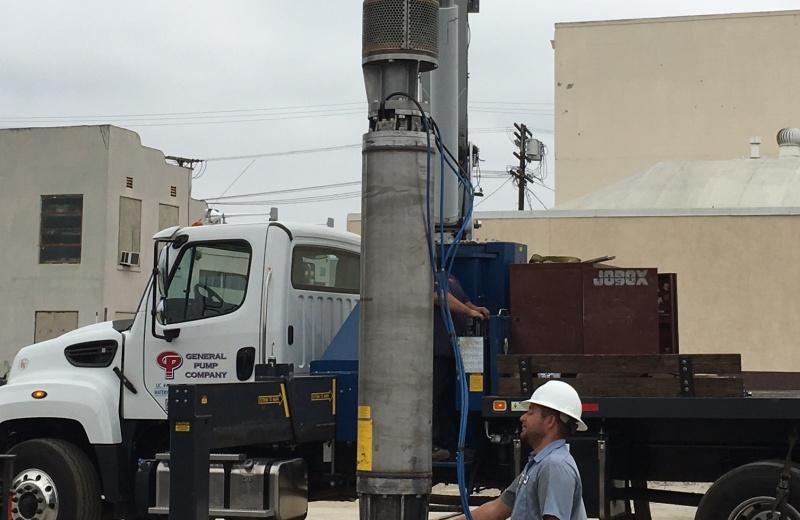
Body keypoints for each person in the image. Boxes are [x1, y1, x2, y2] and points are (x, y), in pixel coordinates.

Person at [452, 380, 588, 520]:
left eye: (530, 412)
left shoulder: (554, 465)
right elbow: (496, 509)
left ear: (550, 421)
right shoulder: (538, 465)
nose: (522, 418)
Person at [432, 272, 489, 461]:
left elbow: (465, 301)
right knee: (432, 398)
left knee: (448, 401)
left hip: (453, 353)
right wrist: (467, 312)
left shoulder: (451, 277)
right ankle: (431, 443)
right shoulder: (427, 275)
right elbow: (437, 296)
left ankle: (451, 445)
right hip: (436, 351)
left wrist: (475, 308)